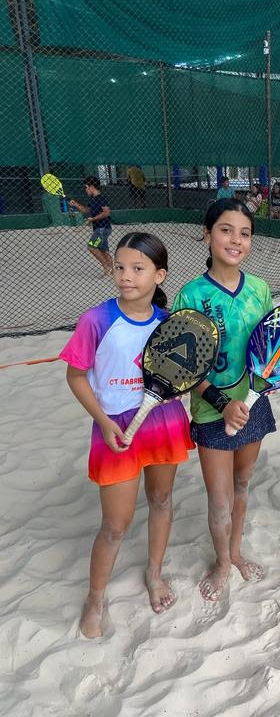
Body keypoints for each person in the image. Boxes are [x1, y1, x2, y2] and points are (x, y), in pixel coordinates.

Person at [60, 232, 194, 638]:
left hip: (163, 420)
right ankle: (95, 598)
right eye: (120, 267)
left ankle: (154, 574)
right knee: (114, 525)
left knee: (161, 500)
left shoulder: (169, 323)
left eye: (138, 268)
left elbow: (180, 378)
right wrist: (102, 420)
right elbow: (75, 375)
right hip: (115, 426)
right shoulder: (95, 320)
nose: (125, 276)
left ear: (159, 275)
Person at [172, 198, 276, 601]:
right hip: (211, 410)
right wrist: (220, 402)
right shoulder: (191, 295)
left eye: (245, 233)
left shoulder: (260, 290)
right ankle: (220, 562)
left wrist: (252, 394)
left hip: (252, 403)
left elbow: (270, 351)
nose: (236, 240)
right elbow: (181, 366)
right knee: (219, 497)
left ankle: (235, 552)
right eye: (226, 230)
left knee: (242, 482)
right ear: (207, 233)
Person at [69, 176, 113, 276]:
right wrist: (76, 204)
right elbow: (86, 210)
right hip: (102, 229)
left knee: (91, 246)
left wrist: (93, 219)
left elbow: (106, 212)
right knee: (104, 250)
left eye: (86, 187)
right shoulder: (93, 199)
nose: (85, 190)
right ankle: (112, 270)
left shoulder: (100, 198)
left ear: (92, 187)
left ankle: (106, 266)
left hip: (102, 229)